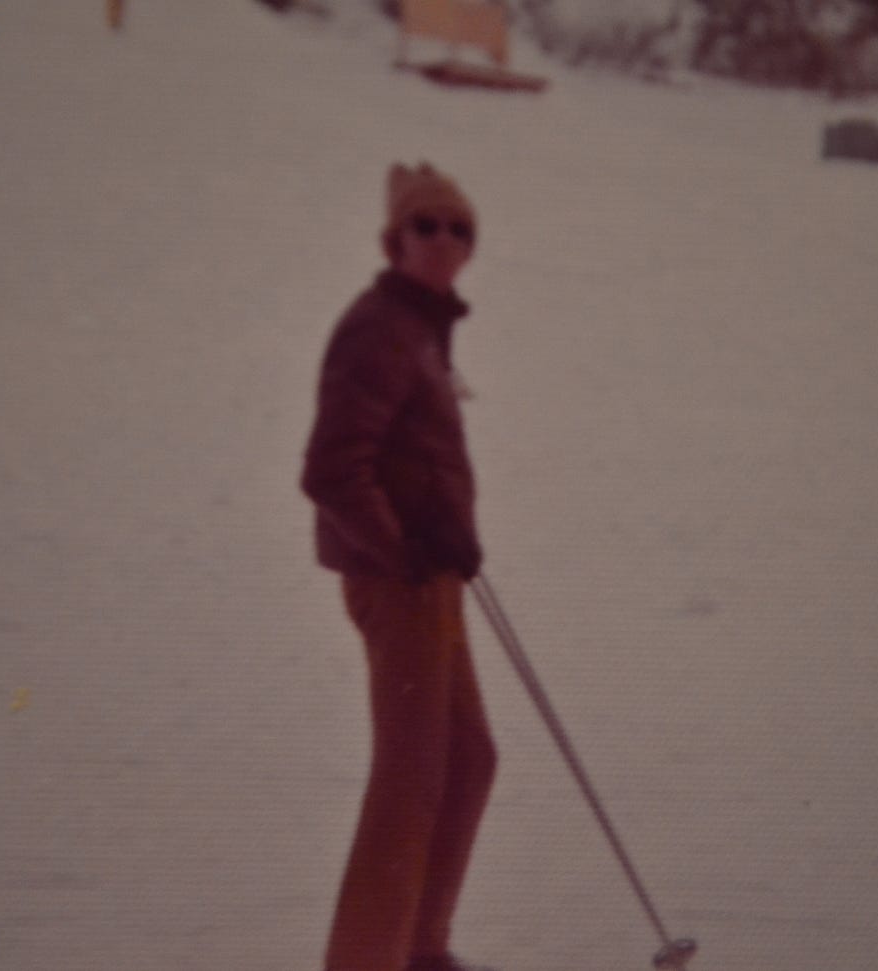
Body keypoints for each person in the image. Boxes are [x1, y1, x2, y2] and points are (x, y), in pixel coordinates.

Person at [301, 162, 497, 971]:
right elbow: (333, 468)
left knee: (468, 756)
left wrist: (449, 532)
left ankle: (417, 948)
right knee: (411, 777)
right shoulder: (379, 326)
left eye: (460, 227)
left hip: (430, 575)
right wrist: (406, 547)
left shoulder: (420, 327)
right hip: (397, 580)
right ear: (395, 240)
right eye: (427, 225)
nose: (445, 239)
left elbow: (412, 459)